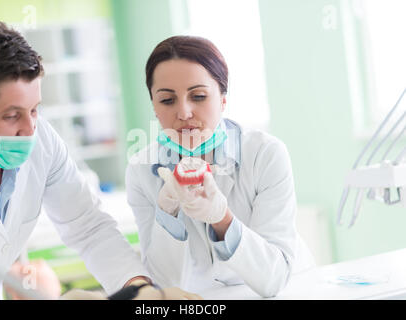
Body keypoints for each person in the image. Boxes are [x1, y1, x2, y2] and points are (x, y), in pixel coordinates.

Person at [0, 19, 201, 300]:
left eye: (35, 110)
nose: (30, 129)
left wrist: (139, 290)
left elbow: (88, 226)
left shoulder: (42, 142)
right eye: (12, 116)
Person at [125, 35, 316, 298]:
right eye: (168, 100)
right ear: (155, 108)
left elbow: (273, 278)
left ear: (223, 99)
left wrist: (221, 219)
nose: (183, 112)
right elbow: (164, 284)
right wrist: (167, 213)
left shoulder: (264, 154)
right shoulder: (141, 170)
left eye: (199, 96)